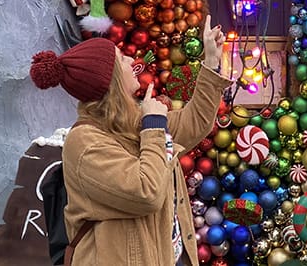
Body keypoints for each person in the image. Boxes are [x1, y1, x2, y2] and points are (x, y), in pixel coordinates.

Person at [30, 15, 230, 266]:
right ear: (111, 80)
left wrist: (210, 63)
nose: (132, 62)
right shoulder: (85, 142)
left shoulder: (134, 122)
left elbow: (195, 122)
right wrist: (154, 126)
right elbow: (146, 193)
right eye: (122, 59)